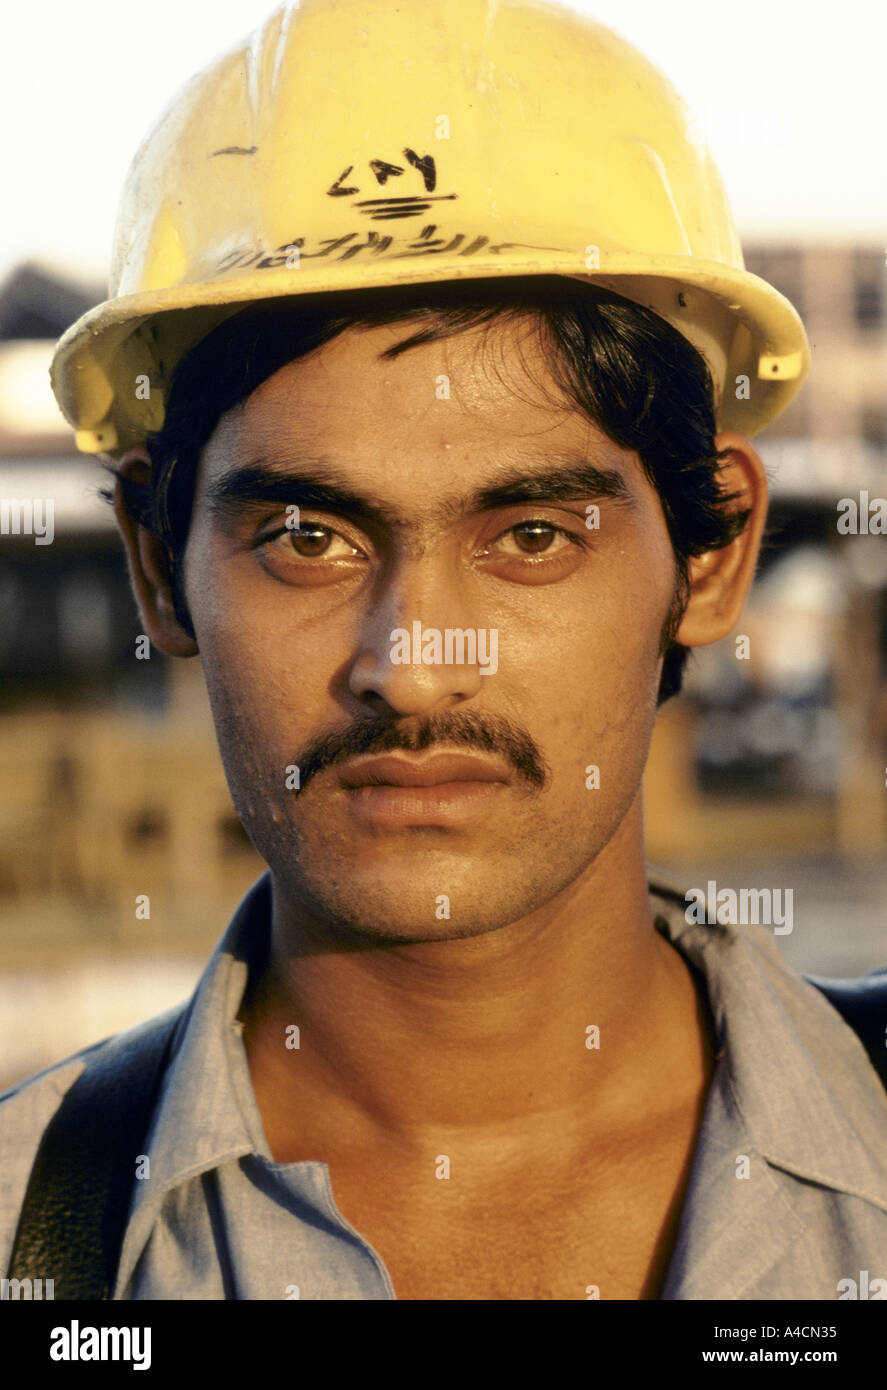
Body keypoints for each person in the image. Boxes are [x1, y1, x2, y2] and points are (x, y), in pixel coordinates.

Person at [2, 0, 886, 1302]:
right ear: (155, 561)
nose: (412, 664)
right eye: (309, 534)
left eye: (531, 532)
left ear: (714, 556)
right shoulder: (36, 1229)